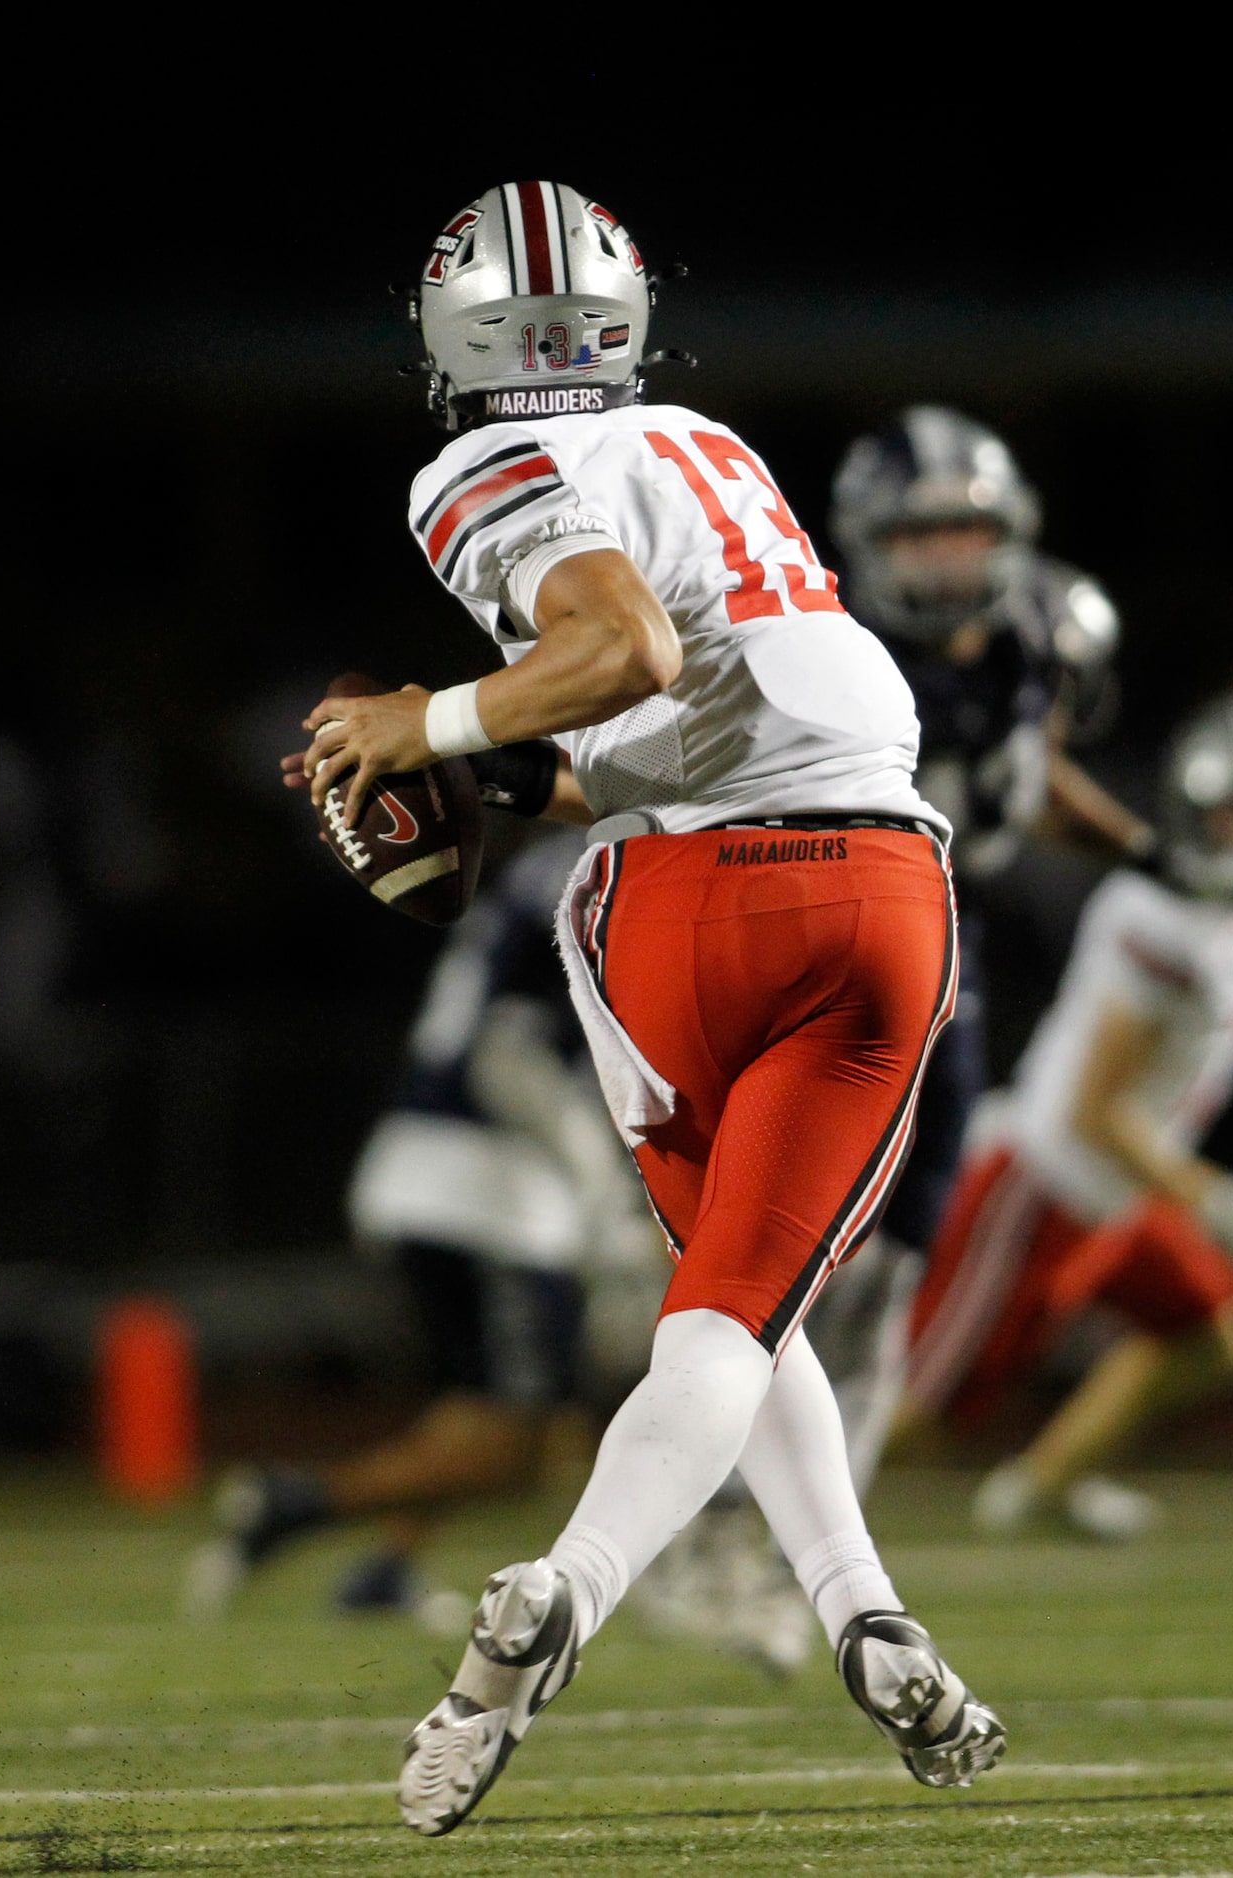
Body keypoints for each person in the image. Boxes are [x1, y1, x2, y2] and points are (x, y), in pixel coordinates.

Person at [287, 181, 1005, 1837]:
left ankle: (680, 1599)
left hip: (680, 912)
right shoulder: (701, 443)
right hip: (867, 891)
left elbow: (623, 656)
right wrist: (454, 738)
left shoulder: (472, 466)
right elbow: (655, 676)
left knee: (733, 1312)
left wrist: (434, 722)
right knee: (740, 1312)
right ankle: (722, 1598)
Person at [628, 410, 1152, 1665]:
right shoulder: (824, 654)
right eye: (921, 532)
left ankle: (805, 1560)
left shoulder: (1025, 643)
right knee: (778, 1278)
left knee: (892, 1280)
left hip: (938, 987)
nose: (948, 558)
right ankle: (701, 1529)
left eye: (967, 528)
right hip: (817, 979)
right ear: (867, 541)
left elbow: (1029, 771)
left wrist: (1142, 846)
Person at [900, 691, 1233, 1537]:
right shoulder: (1150, 914)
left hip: (1115, 1195)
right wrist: (1208, 1197)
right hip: (1042, 1185)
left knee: (1215, 1336)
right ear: (1193, 816)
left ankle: (1041, 1487)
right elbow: (1093, 1114)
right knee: (920, 1416)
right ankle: (730, 1511)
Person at [182, 827, 665, 1631]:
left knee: (487, 1408)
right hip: (488, 1185)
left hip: (449, 1169)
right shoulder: (609, 866)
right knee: (519, 1437)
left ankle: (385, 1566)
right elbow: (508, 1052)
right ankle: (292, 1503)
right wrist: (607, 1195)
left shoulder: (566, 863)